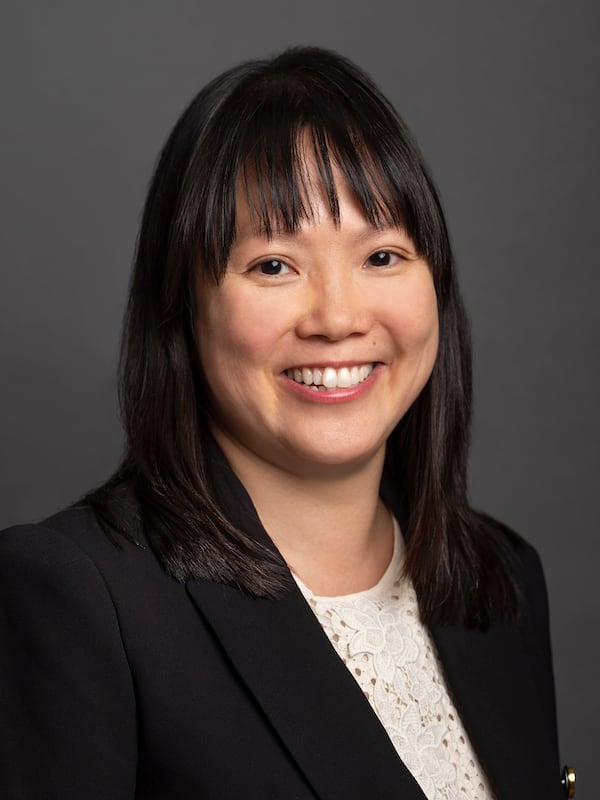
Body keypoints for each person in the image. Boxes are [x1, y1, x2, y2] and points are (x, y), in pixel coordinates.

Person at [0, 47, 570, 799]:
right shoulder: (79, 598)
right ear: (182, 304)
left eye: (383, 254)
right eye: (273, 264)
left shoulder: (499, 578)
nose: (338, 318)